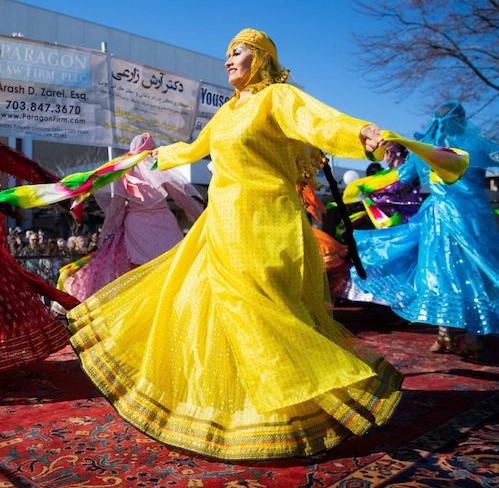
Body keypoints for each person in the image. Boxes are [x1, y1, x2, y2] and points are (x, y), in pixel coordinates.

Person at [67, 28, 417, 460]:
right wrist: (154, 157)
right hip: (221, 225)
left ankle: (329, 390)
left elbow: (320, 122)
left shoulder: (278, 98)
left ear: (264, 58)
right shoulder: (227, 112)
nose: (229, 59)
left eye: (239, 51)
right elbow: (195, 147)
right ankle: (246, 412)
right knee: (207, 307)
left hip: (267, 222)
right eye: (227, 54)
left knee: (266, 313)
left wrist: (360, 133)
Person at [350, 100, 499, 358]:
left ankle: (446, 335)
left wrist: (366, 189)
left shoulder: (425, 150)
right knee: (476, 273)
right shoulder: (475, 145)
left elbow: (402, 179)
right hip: (477, 219)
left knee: (442, 273)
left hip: (440, 218)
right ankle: (472, 337)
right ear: (462, 120)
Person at [59, 133, 205, 302]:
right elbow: (182, 197)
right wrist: (201, 217)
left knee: (135, 272)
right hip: (164, 223)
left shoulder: (125, 170)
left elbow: (116, 207)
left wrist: (105, 233)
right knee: (174, 266)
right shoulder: (159, 168)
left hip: (136, 226)